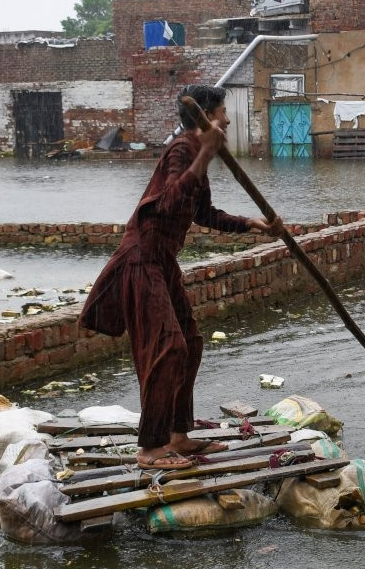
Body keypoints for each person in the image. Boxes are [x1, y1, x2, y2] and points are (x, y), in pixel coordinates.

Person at [80, 85, 283, 470]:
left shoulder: (196, 154)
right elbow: (170, 201)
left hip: (164, 261)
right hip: (142, 259)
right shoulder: (182, 150)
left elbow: (203, 213)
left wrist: (252, 224)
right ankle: (150, 448)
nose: (227, 120)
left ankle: (178, 434)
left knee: (190, 342)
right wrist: (205, 152)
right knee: (168, 347)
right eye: (222, 112)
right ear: (206, 117)